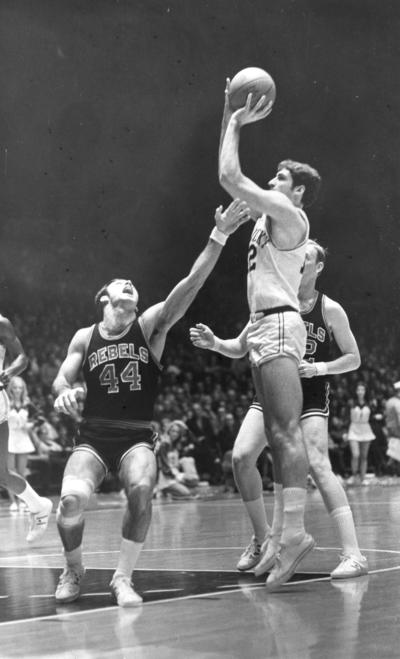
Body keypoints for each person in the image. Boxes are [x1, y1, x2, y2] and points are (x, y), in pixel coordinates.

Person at [52, 200, 250, 607]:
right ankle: (73, 568)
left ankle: (123, 578)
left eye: (132, 287)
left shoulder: (149, 326)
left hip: (136, 437)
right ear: (104, 298)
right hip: (92, 436)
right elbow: (61, 377)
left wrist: (220, 235)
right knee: (70, 503)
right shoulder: (83, 336)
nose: (127, 283)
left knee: (142, 490)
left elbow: (192, 282)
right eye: (119, 283)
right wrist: (63, 391)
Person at [190, 239, 368, 580]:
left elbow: (353, 358)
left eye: (308, 259)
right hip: (272, 391)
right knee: (241, 457)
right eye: (297, 257)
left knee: (318, 462)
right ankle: (262, 538)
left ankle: (354, 554)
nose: (300, 263)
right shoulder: (272, 303)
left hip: (311, 392)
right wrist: (215, 343)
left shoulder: (329, 309)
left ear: (318, 268)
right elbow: (239, 347)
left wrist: (318, 368)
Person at [218, 82, 322, 588]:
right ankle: (279, 537)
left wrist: (237, 124)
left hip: (280, 323)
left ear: (297, 192)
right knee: (270, 441)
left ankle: (296, 534)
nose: (271, 179)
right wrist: (227, 111)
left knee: (284, 433)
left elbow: (229, 175)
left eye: (280, 177)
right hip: (262, 327)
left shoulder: (289, 215)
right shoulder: (266, 216)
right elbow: (230, 180)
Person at [0, 317, 52, 539]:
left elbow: (22, 358)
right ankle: (38, 504)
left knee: (2, 474)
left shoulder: (1, 323)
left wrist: (8, 373)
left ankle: (38, 505)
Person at [7, 376, 36, 511]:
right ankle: (14, 502)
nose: (17, 390)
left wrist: (31, 425)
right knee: (10, 472)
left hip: (23, 438)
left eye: (20, 387)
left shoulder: (27, 403)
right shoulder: (5, 402)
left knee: (22, 472)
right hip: (9, 438)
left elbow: (40, 417)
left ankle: (23, 500)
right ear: (10, 389)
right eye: (15, 387)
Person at [347, 383, 376, 485]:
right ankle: (354, 476)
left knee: (364, 456)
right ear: (355, 391)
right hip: (354, 428)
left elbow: (373, 417)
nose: (360, 392)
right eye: (358, 389)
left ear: (365, 391)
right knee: (355, 455)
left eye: (362, 390)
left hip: (365, 429)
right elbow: (346, 417)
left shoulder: (370, 403)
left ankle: (363, 478)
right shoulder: (351, 403)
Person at [384, 382, 400, 471]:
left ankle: (388, 468)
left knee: (395, 451)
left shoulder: (389, 401)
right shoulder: (397, 402)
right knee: (395, 451)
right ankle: (388, 468)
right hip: (397, 430)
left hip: (390, 428)